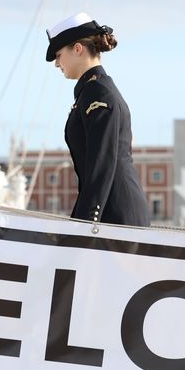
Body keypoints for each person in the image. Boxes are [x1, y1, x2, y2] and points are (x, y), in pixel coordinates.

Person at [46, 13, 150, 227]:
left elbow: (101, 164)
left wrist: (86, 222)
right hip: (108, 211)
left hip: (115, 215)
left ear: (77, 49)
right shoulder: (90, 91)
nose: (57, 64)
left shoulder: (98, 93)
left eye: (58, 55)